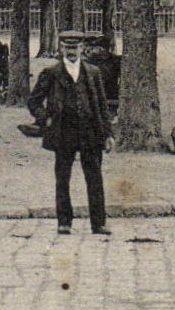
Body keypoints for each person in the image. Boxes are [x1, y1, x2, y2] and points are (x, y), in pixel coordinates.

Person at [28, 33, 114, 235]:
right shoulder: (51, 72)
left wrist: (108, 133)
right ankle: (64, 222)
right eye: (67, 47)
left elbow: (102, 105)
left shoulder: (93, 72)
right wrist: (45, 118)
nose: (71, 51)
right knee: (62, 178)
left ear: (82, 48)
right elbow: (34, 101)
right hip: (63, 132)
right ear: (61, 48)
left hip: (90, 132)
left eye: (75, 47)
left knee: (94, 178)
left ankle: (99, 223)